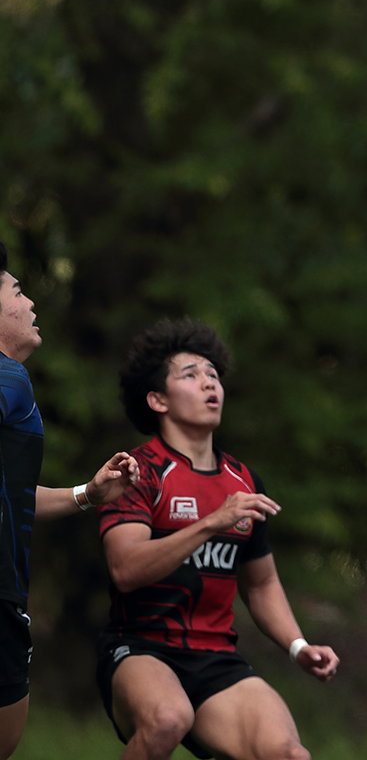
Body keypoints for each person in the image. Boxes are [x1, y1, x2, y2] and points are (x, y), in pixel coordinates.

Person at [98, 318, 339, 760]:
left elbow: (261, 583)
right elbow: (125, 569)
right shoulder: (137, 471)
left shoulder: (243, 481)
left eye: (213, 374)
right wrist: (211, 522)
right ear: (157, 399)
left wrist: (298, 646)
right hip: (140, 649)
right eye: (190, 375)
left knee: (290, 755)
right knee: (168, 717)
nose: (209, 383)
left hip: (215, 657)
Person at [0, 244, 139, 758]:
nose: (30, 302)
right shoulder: (7, 376)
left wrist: (88, 494)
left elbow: (14, 495)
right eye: (17, 291)